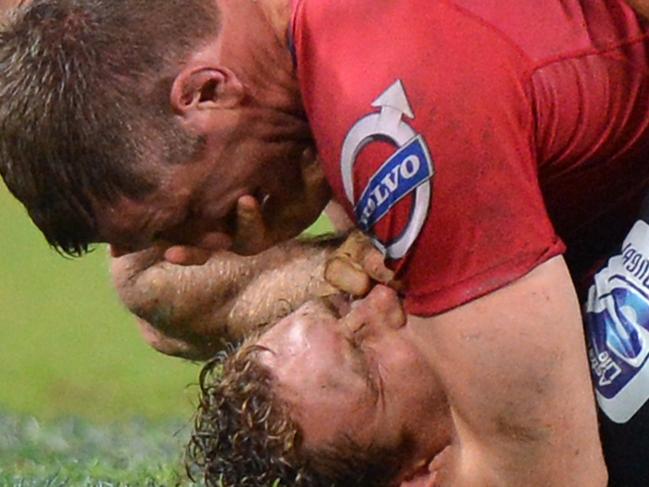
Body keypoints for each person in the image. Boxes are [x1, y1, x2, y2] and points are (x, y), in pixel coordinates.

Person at [4, 0, 649, 484]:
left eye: (187, 217)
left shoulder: (383, 116)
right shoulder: (323, 63)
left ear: (208, 91)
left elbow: (544, 471)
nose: (195, 249)